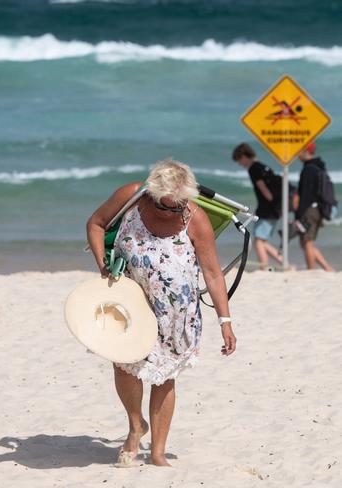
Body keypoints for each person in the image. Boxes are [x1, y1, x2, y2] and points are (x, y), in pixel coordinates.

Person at [86, 159, 236, 467]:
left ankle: (157, 452)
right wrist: (102, 265)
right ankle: (135, 425)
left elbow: (212, 272)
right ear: (151, 192)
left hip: (176, 315)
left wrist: (226, 321)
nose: (169, 213)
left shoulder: (195, 218)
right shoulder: (131, 198)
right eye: (163, 206)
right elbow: (96, 224)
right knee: (124, 367)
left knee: (164, 378)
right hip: (130, 305)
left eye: (176, 207)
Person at [232, 143, 285, 270]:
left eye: (239, 160)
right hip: (276, 208)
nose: (240, 164)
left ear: (244, 156)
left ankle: (264, 268)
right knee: (262, 241)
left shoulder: (253, 168)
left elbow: (263, 189)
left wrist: (268, 203)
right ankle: (283, 263)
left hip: (268, 209)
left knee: (259, 241)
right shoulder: (263, 166)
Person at [295, 142, 334, 271]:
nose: (297, 154)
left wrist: (298, 216)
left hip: (309, 210)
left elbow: (305, 195)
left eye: (299, 150)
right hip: (318, 209)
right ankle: (327, 268)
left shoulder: (308, 169)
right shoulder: (319, 167)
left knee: (307, 242)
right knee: (305, 242)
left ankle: (311, 271)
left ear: (306, 151)